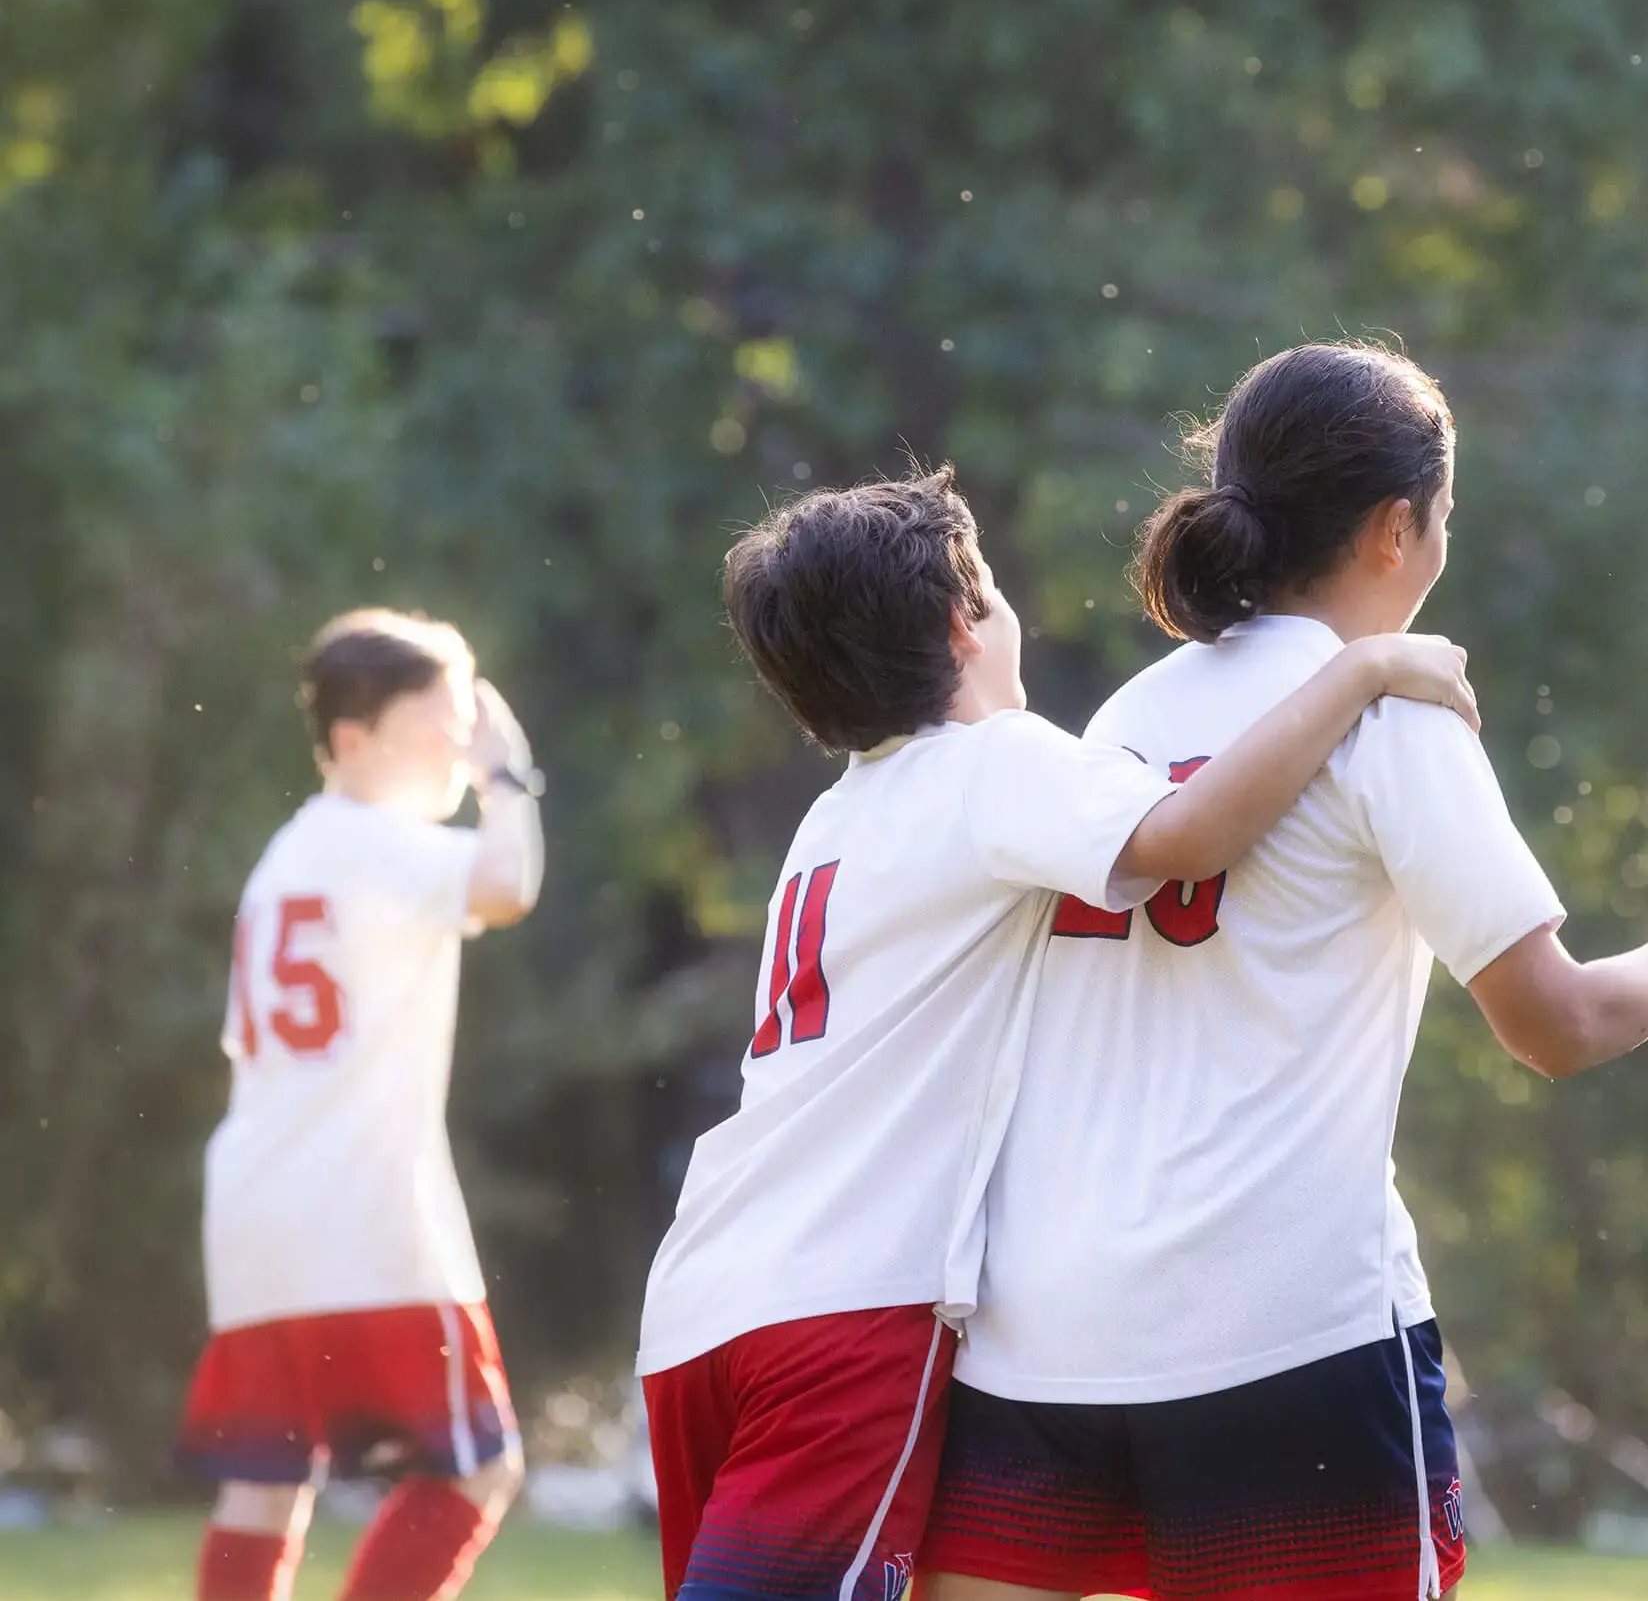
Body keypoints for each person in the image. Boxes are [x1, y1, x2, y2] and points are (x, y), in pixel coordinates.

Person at [924, 342, 1648, 1601]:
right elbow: (1556, 1022)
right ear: (1396, 528)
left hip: (1047, 1333)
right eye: (1445, 513)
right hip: (1276, 1333)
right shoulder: (1392, 713)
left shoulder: (1123, 716)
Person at [636, 468, 1479, 1601]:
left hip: (702, 1303)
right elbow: (1184, 834)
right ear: (961, 620)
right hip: (844, 1309)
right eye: (989, 585)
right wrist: (1362, 666)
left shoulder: (830, 818)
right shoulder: (996, 762)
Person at [179, 610, 545, 1601]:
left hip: (256, 1219)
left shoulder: (287, 855)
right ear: (352, 739)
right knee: (478, 1465)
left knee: (265, 1484)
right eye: (443, 722)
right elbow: (509, 881)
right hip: (367, 1219)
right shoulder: (377, 843)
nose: (459, 744)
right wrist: (505, 775)